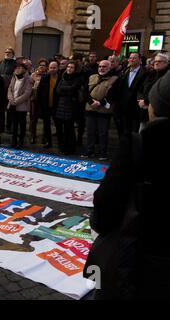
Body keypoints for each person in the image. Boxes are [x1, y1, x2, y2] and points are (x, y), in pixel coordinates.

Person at [84, 71, 170, 300]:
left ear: (156, 107)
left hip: (136, 254)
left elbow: (106, 201)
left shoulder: (139, 145)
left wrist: (101, 226)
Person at [82, 60, 119, 161]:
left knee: (102, 133)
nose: (101, 68)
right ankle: (89, 150)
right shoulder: (92, 77)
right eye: (100, 66)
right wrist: (90, 102)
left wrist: (100, 103)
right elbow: (85, 91)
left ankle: (103, 152)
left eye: (104, 67)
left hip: (104, 110)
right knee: (90, 131)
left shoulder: (114, 79)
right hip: (90, 108)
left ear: (109, 68)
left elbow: (113, 94)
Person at [113, 52, 147, 137]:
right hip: (123, 107)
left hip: (135, 108)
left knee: (133, 132)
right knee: (122, 130)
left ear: (140, 60)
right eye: (130, 58)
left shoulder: (144, 72)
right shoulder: (125, 71)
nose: (131, 60)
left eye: (134, 58)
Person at [54, 61, 84, 155]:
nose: (69, 69)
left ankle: (71, 148)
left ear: (75, 69)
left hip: (71, 106)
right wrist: (67, 89)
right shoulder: (63, 77)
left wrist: (65, 89)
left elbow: (73, 89)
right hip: (61, 105)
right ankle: (63, 147)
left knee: (69, 128)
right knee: (62, 128)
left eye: (71, 67)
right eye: (68, 67)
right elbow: (58, 90)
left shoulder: (78, 78)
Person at [137, 53, 169, 130]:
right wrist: (140, 101)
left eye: (160, 61)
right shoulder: (150, 74)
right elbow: (140, 89)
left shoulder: (167, 77)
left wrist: (146, 102)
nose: (156, 63)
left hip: (158, 112)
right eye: (155, 61)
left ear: (166, 63)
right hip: (143, 110)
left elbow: (162, 92)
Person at [7, 62, 32, 149]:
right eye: (16, 68)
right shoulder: (14, 78)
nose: (17, 69)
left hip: (21, 106)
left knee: (21, 125)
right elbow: (9, 89)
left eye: (20, 68)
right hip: (12, 105)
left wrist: (15, 101)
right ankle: (13, 142)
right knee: (14, 125)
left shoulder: (27, 79)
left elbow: (27, 93)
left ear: (24, 69)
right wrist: (11, 99)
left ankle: (21, 142)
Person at [36, 61, 60, 149]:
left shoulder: (61, 77)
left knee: (58, 125)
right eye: (51, 68)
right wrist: (41, 105)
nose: (52, 69)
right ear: (48, 68)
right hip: (46, 106)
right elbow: (39, 91)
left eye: (54, 67)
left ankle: (60, 143)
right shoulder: (45, 77)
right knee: (46, 125)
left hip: (57, 106)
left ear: (58, 68)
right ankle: (48, 142)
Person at [0, 47, 17, 133]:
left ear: (13, 54)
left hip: (10, 90)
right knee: (1, 109)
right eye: (6, 52)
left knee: (10, 110)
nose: (7, 53)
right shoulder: (1, 62)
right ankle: (0, 127)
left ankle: (9, 126)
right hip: (1, 90)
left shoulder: (15, 64)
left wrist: (5, 77)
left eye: (9, 52)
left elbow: (16, 76)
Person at [30, 59, 48, 144]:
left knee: (45, 119)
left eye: (43, 65)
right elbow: (29, 86)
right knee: (34, 119)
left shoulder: (48, 75)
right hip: (35, 99)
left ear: (46, 67)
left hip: (45, 100)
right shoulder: (33, 75)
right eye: (40, 64)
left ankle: (45, 137)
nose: (41, 66)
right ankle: (33, 136)